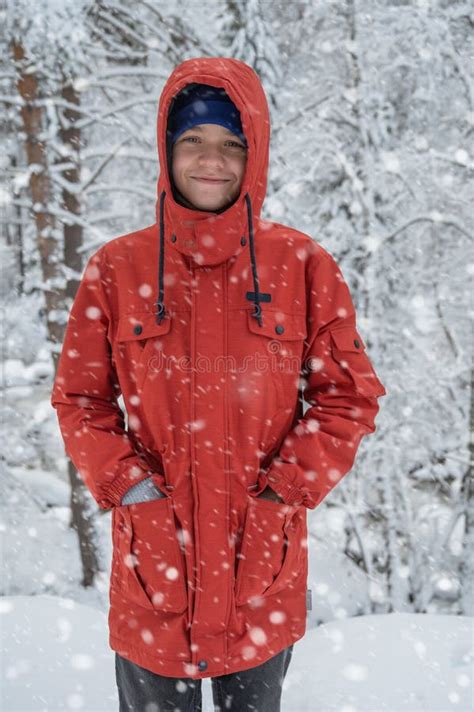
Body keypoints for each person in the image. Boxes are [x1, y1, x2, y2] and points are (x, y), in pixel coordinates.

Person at [51, 57, 386, 711]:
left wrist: (282, 491)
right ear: (167, 149)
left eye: (232, 144)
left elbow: (350, 395)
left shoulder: (304, 265)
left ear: (254, 153)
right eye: (194, 141)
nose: (213, 160)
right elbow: (80, 399)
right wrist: (132, 489)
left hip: (260, 572)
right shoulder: (116, 269)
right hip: (154, 575)